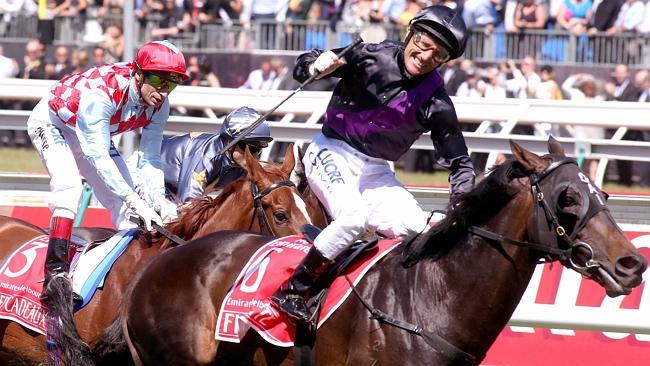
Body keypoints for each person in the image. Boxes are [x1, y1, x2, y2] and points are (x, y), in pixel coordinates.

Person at [271, 5, 476, 322]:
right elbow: (302, 67)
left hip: (377, 169)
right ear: (410, 33)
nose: (424, 56)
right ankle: (294, 290)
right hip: (331, 149)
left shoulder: (437, 102)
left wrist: (464, 203)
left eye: (436, 55)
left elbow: (459, 163)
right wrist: (315, 64)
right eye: (422, 44)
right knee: (353, 217)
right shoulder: (370, 54)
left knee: (417, 227)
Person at [27, 40, 188, 304]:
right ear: (139, 74)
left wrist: (158, 199)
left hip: (92, 135)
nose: (163, 92)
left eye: (171, 85)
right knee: (70, 189)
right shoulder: (102, 93)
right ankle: (54, 274)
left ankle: (129, 275)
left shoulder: (160, 105)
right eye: (159, 81)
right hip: (54, 124)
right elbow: (97, 156)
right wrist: (133, 197)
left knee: (130, 211)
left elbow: (149, 157)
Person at [154, 106, 273, 209]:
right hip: (149, 181)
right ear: (229, 141)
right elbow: (188, 205)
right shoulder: (206, 156)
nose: (254, 157)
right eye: (250, 148)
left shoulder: (240, 165)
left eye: (258, 149)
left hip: (174, 193)